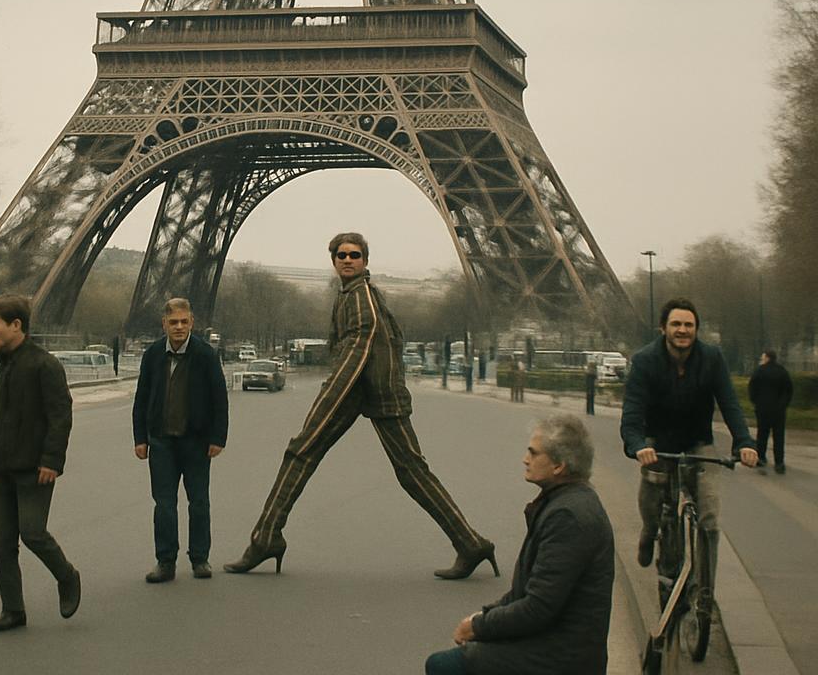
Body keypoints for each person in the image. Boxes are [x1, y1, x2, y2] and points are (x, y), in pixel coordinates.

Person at [225, 233, 496, 579]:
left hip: (358, 389)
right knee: (410, 471)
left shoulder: (359, 295)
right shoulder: (355, 294)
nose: (348, 260)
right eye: (341, 255)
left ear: (365, 260)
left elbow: (359, 346)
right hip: (377, 389)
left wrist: (328, 397)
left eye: (354, 255)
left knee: (302, 453)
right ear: (334, 261)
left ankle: (266, 538)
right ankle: (469, 542)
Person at [425, 415, 614, 675]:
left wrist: (477, 627)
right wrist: (482, 617)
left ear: (559, 465)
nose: (525, 459)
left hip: (562, 657)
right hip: (557, 643)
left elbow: (538, 608)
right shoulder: (566, 502)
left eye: (533, 453)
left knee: (443, 666)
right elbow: (524, 593)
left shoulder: (567, 516)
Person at [620, 297, 757, 570]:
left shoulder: (712, 358)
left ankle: (705, 587)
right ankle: (649, 531)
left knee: (710, 517)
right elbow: (632, 414)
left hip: (698, 440)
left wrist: (744, 442)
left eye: (688, 325)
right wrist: (637, 446)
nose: (682, 330)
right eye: (676, 324)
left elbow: (729, 403)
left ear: (696, 329)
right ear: (663, 328)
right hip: (658, 441)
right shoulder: (645, 361)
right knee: (653, 492)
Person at [0, 293, 81, 631]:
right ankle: (13, 610)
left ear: (16, 324)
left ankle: (67, 576)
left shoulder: (44, 365)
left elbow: (60, 415)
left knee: (33, 532)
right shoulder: (3, 366)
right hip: (4, 468)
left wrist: (51, 460)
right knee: (1, 544)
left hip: (35, 468)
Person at [132, 297, 228, 582]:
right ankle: (166, 561)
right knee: (163, 504)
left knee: (199, 502)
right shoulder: (152, 355)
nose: (179, 327)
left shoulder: (206, 355)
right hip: (162, 441)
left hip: (196, 441)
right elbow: (142, 397)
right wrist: (140, 438)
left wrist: (218, 438)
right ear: (164, 324)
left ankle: (200, 558)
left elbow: (219, 399)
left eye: (184, 322)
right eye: (173, 322)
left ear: (192, 323)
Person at [749, 349, 793, 474]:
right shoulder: (782, 371)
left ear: (767, 358)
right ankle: (779, 463)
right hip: (779, 410)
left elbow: (752, 387)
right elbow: (788, 390)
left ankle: (761, 458)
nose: (762, 360)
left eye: (763, 357)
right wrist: (783, 405)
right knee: (778, 436)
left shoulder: (759, 371)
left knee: (762, 434)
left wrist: (756, 402)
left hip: (763, 408)